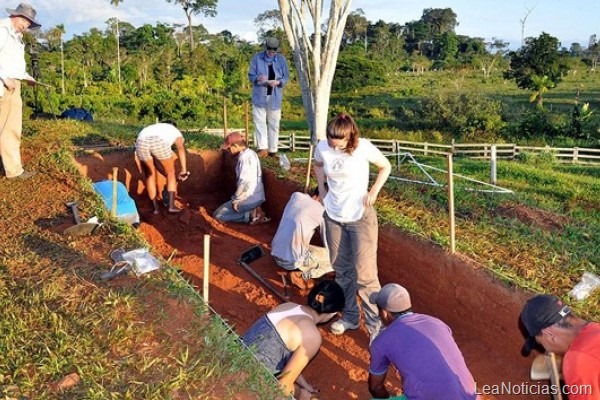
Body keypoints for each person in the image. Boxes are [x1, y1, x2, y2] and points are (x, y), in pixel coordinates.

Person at [313, 112, 391, 339]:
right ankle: (349, 317)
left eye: (338, 141)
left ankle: (375, 328)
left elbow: (385, 166)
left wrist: (374, 191)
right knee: (343, 272)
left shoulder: (363, 147)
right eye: (330, 139)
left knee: (365, 276)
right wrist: (322, 189)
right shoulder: (322, 147)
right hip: (334, 217)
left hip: (360, 219)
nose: (333, 144)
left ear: (350, 138)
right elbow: (318, 165)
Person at [368, 283, 479, 400]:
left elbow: (376, 388)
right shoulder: (437, 323)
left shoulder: (382, 341)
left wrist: (388, 397)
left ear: (385, 313)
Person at [242, 280, 345, 400]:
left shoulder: (287, 306)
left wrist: (305, 385)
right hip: (247, 383)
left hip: (230, 356)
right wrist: (301, 394)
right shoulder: (312, 336)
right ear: (332, 314)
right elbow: (282, 387)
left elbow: (277, 353)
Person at [520, 294, 600, 400]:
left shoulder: (577, 360)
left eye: (541, 344)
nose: (547, 350)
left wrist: (572, 370)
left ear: (548, 334)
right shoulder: (595, 328)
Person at [0, 3, 41, 179]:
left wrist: (26, 76)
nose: (27, 27)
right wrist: (4, 78)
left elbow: (13, 64)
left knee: (8, 128)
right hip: (5, 85)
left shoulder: (16, 36)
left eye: (30, 24)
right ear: (19, 17)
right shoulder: (2, 29)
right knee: (10, 129)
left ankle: (10, 168)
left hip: (12, 83)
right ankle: (14, 171)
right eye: (26, 22)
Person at [271, 189, 334, 288]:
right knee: (334, 261)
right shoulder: (322, 212)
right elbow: (328, 244)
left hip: (275, 253)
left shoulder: (296, 195)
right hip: (292, 263)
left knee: (307, 247)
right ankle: (302, 275)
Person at [214, 131, 270, 224]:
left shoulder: (244, 158)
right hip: (256, 196)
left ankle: (253, 215)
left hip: (248, 198)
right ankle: (253, 210)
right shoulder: (251, 153)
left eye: (229, 148)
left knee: (219, 215)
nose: (228, 151)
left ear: (235, 146)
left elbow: (245, 182)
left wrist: (237, 200)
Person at [135, 122, 189, 214]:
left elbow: (156, 163)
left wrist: (165, 174)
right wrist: (183, 170)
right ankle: (171, 207)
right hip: (158, 141)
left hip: (140, 142)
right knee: (171, 172)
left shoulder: (154, 128)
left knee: (149, 175)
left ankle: (155, 208)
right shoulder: (175, 131)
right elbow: (181, 148)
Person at [248, 37, 289, 158]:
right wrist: (259, 79)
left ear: (277, 50)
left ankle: (273, 150)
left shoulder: (281, 60)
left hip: (275, 96)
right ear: (266, 48)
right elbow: (251, 75)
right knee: (259, 122)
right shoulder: (257, 58)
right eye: (270, 49)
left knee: (274, 124)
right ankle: (262, 148)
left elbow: (286, 77)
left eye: (274, 50)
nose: (272, 51)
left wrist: (278, 82)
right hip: (260, 95)